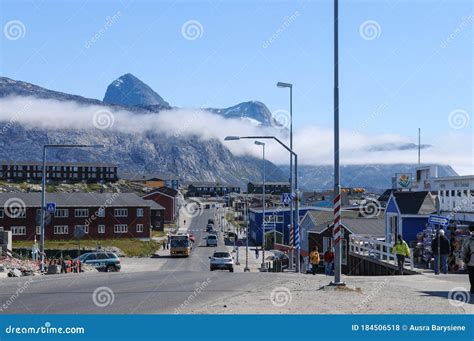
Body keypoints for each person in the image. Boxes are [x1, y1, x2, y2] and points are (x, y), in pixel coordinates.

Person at [461, 224, 474, 294]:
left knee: (472, 276)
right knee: (471, 275)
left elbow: (464, 250)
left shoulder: (468, 239)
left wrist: (463, 259)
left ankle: (473, 288)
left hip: (470, 261)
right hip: (470, 260)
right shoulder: (468, 239)